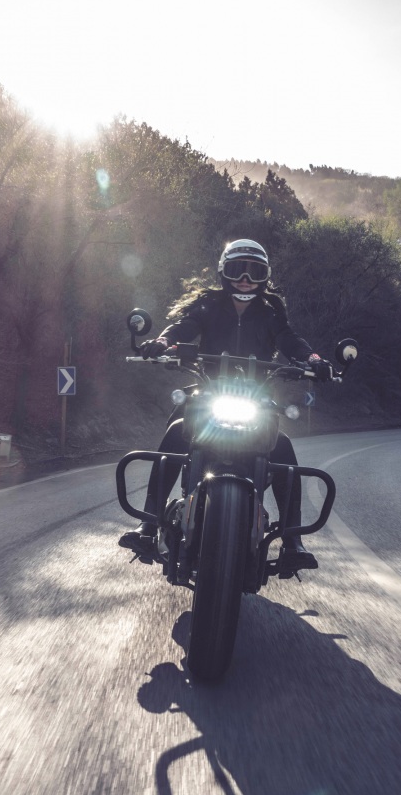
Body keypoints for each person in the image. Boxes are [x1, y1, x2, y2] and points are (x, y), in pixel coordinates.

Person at [119, 239, 334, 573]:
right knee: (176, 432)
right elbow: (184, 326)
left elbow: (290, 340)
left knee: (283, 448)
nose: (245, 279)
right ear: (224, 272)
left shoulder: (271, 312)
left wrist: (314, 359)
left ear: (265, 276)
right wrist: (162, 341)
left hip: (255, 397)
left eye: (254, 272)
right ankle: (148, 524)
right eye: (237, 270)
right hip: (209, 391)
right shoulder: (208, 305)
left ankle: (293, 541)